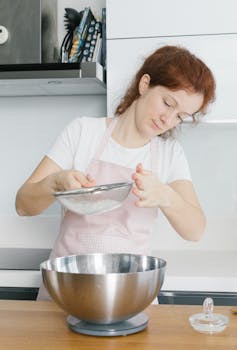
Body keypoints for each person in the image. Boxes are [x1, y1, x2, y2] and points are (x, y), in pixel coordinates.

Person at [15, 45, 215, 299]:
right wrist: (55, 183)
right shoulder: (83, 132)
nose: (168, 119)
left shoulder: (169, 153)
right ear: (145, 84)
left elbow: (195, 230)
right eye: (167, 103)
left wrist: (165, 195)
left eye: (180, 116)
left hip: (130, 294)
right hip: (67, 289)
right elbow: (23, 205)